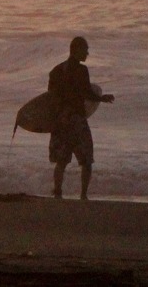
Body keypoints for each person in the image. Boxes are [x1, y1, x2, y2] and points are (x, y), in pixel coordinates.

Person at [48, 36, 114, 199]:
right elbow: (87, 93)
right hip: (77, 121)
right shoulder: (81, 71)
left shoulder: (56, 71)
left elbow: (50, 98)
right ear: (76, 50)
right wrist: (101, 98)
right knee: (86, 161)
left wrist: (55, 119)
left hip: (61, 122)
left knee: (61, 162)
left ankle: (57, 192)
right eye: (85, 49)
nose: (87, 53)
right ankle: (83, 195)